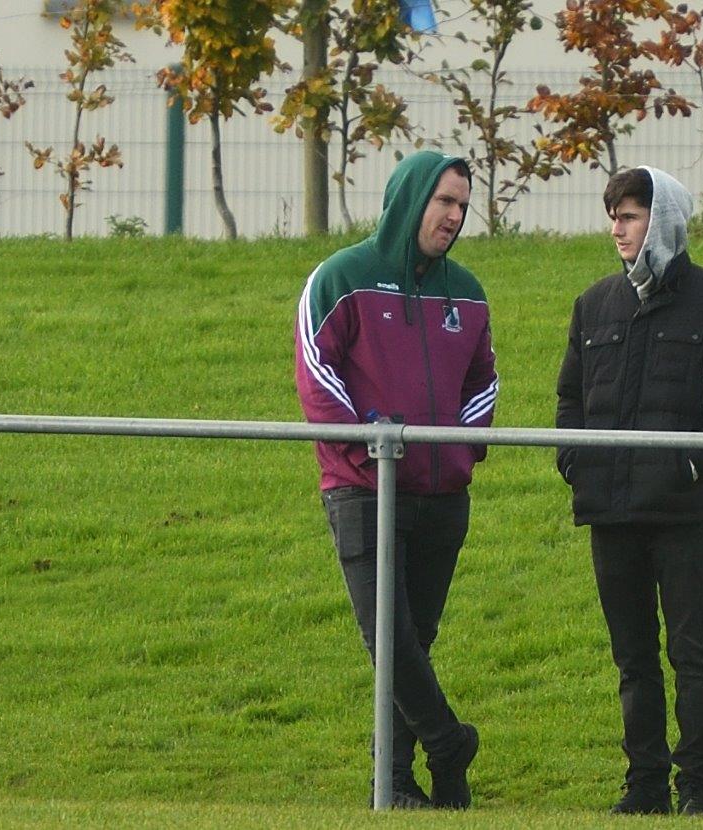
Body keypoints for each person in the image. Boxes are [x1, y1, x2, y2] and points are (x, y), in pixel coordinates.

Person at [294, 150, 497, 810]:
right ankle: (446, 743)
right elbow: (317, 374)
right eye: (445, 201)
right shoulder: (342, 278)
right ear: (410, 199)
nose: (455, 216)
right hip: (363, 491)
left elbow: (483, 381)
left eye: (463, 205)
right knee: (390, 639)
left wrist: (460, 451)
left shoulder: (466, 290)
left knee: (413, 644)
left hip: (443, 495)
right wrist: (366, 446)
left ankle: (400, 782)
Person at [555, 167, 703, 816]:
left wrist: (687, 469)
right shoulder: (594, 304)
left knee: (690, 652)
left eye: (629, 216)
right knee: (633, 657)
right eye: (613, 217)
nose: (617, 229)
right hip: (610, 510)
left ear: (663, 219)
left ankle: (697, 789)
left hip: (680, 513)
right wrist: (575, 460)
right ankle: (645, 784)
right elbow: (569, 397)